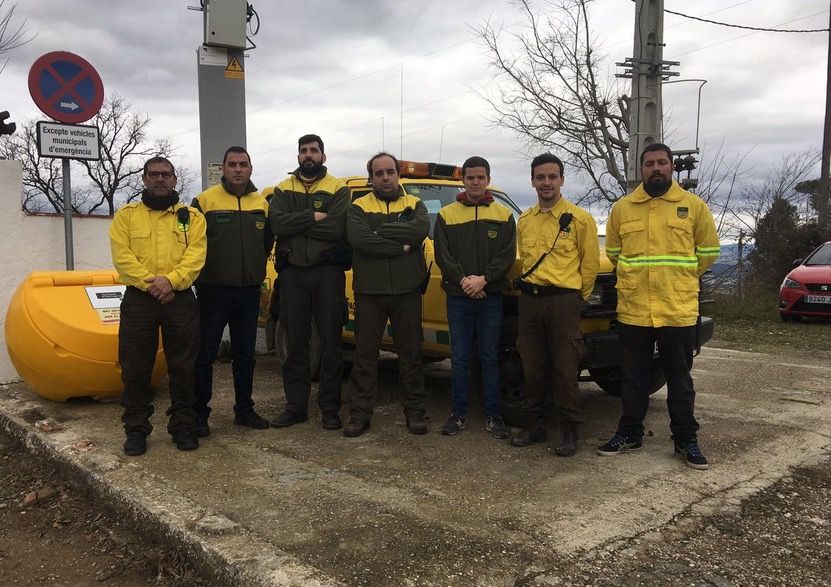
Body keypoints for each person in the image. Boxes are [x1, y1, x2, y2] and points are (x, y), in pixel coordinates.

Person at [596, 143, 720, 470]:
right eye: (649, 163)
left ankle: (685, 439)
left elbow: (708, 251)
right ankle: (630, 432)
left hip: (676, 308)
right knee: (633, 377)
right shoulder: (623, 208)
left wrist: (679, 277)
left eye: (662, 162)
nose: (656, 168)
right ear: (641, 169)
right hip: (634, 309)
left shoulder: (693, 206)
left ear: (671, 167)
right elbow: (614, 253)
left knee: (679, 378)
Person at [110, 156, 207, 456]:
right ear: (144, 179)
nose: (160, 179)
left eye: (166, 174)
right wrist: (153, 284)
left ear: (175, 179)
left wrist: (171, 281)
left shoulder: (192, 218)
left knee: (184, 366)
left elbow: (195, 257)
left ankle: (183, 426)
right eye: (154, 174)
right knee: (136, 367)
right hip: (140, 299)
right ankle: (136, 430)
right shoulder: (126, 216)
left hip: (179, 299)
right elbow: (122, 257)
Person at [512, 153, 599, 456]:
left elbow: (589, 266)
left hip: (563, 302)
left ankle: (569, 431)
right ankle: (535, 426)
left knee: (565, 370)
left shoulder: (580, 219)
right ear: (533, 181)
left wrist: (578, 298)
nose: (546, 183)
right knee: (532, 368)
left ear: (562, 180)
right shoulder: (524, 220)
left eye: (552, 177)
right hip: (531, 303)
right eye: (540, 177)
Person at [343, 152, 430, 437]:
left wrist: (381, 232)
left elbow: (419, 230)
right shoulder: (357, 207)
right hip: (370, 293)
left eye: (390, 172)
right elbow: (360, 240)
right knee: (365, 357)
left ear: (397, 174)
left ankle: (415, 413)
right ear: (371, 178)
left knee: (411, 355)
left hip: (407, 293)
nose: (385, 178)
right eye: (379, 173)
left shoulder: (414, 203)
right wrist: (400, 245)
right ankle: (359, 415)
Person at [269, 134, 350, 430]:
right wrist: (314, 216)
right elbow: (277, 224)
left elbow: (337, 226)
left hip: (327, 272)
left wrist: (298, 224)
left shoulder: (337, 188)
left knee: (330, 343)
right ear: (298, 156)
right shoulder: (283, 188)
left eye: (314, 150)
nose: (308, 155)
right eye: (303, 151)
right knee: (296, 342)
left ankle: (330, 408)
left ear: (323, 157)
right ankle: (295, 407)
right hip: (292, 274)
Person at [191, 146, 273, 437]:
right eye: (232, 164)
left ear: (251, 169)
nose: (238, 169)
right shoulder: (204, 201)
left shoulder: (261, 203)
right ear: (223, 169)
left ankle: (244, 410)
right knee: (205, 354)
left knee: (245, 355)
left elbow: (266, 243)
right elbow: (191, 243)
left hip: (248, 293)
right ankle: (199, 414)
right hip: (213, 292)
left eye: (243, 164)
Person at [433, 156, 516, 439]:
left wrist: (485, 279)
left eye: (481, 177)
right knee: (460, 358)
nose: (476, 182)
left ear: (488, 179)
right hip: (458, 296)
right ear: (463, 180)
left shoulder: (504, 215)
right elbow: (443, 254)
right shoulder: (447, 214)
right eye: (471, 177)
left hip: (490, 296)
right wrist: (464, 280)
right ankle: (458, 415)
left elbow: (506, 254)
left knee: (490, 357)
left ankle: (494, 416)